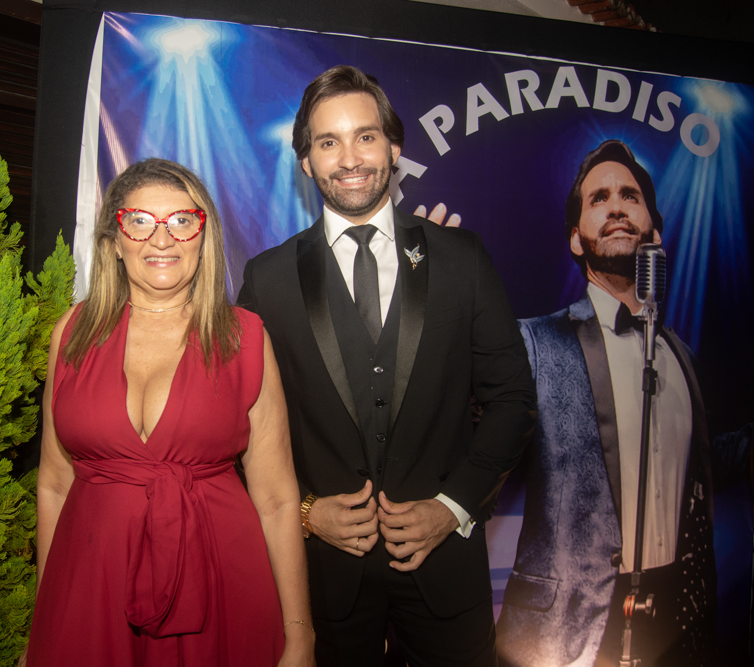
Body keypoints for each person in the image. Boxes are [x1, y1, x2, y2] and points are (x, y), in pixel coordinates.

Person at [237, 65, 537, 666]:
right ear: (306, 162)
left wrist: (451, 508)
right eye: (328, 142)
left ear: (394, 148)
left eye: (366, 136)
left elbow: (513, 402)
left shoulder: (461, 258)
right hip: (323, 583)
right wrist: (306, 512)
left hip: (446, 575)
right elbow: (241, 427)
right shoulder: (267, 280)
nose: (350, 158)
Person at [24, 159, 314, 666]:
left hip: (219, 584)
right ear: (115, 240)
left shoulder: (244, 338)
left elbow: (276, 501)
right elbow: (52, 485)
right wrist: (46, 618)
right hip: (91, 585)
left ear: (204, 237)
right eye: (140, 220)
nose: (162, 238)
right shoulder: (72, 333)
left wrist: (300, 634)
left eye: (182, 221)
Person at [496, 139, 752, 667]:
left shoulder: (681, 356)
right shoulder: (534, 343)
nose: (616, 207)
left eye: (630, 196)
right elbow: (471, 438)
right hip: (566, 632)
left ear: (653, 233)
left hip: (678, 624)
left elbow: (701, 466)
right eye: (599, 198)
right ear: (576, 238)